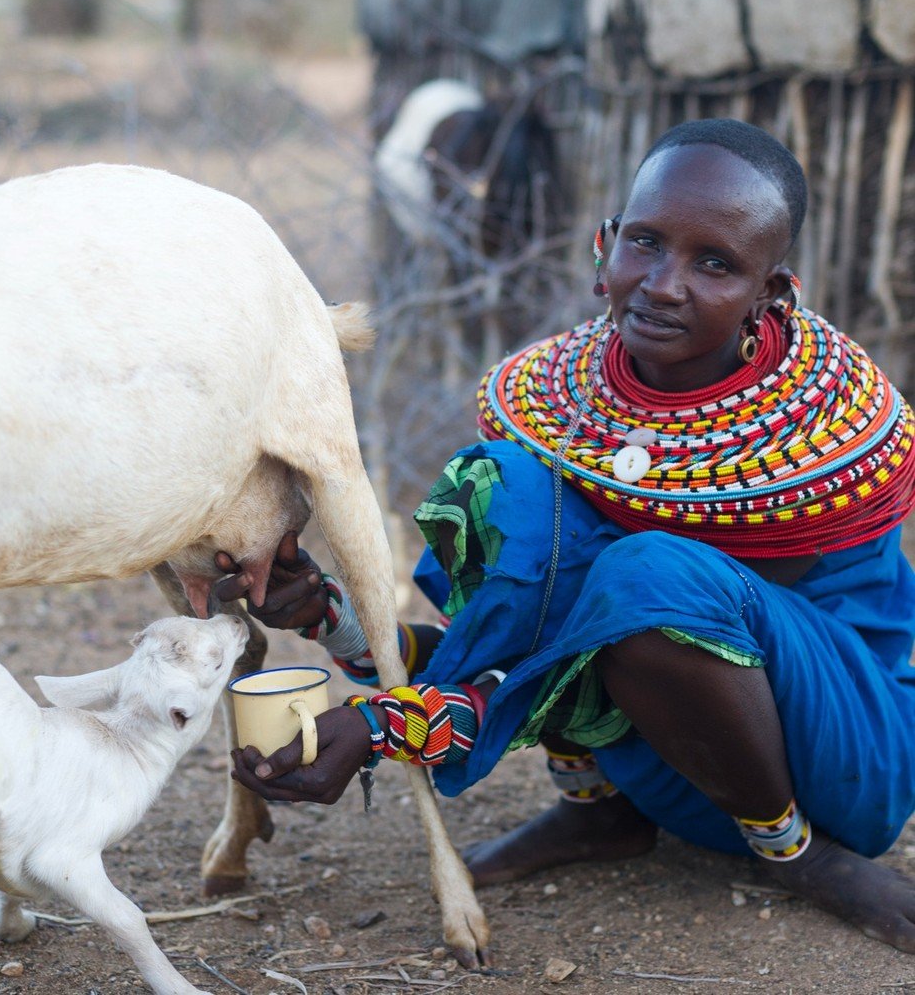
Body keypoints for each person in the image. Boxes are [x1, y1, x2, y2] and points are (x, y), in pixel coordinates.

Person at [218, 118, 915, 953]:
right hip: (670, 761)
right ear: (603, 246)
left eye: (716, 263)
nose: (663, 284)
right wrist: (329, 619)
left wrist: (384, 726)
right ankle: (600, 812)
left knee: (649, 573)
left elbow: (608, 630)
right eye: (647, 243)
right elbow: (535, 632)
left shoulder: (823, 438)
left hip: (836, 761)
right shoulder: (549, 404)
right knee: (505, 496)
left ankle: (794, 855)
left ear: (773, 292)